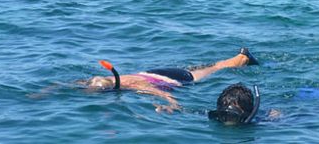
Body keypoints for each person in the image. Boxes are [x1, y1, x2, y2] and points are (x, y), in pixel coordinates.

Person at [80, 47, 259, 113]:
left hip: (180, 77)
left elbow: (162, 94)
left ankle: (241, 58)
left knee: (215, 68)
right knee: (205, 67)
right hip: (156, 72)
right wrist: (50, 91)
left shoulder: (137, 85)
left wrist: (172, 106)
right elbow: (67, 84)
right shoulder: (106, 79)